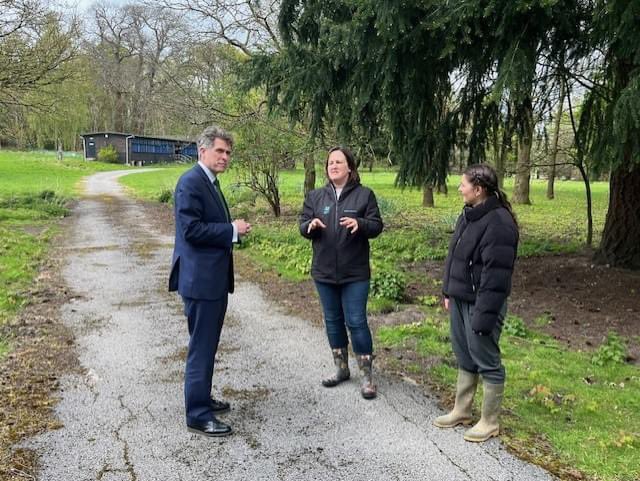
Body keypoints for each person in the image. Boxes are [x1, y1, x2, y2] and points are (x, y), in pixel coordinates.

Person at [169, 125, 251, 437]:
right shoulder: (190, 182)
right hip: (200, 282)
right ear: (202, 150)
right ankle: (198, 414)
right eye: (220, 151)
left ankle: (202, 398)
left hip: (211, 280)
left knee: (207, 344)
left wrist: (231, 230)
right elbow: (191, 230)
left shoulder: (209, 182)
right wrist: (231, 229)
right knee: (201, 348)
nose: (225, 157)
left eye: (228, 152)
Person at [435, 163, 519, 442]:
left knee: (486, 358)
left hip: (483, 302)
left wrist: (483, 316)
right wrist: (448, 291)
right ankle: (461, 410)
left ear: (479, 189)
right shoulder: (469, 215)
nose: (459, 188)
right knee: (464, 354)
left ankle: (490, 421)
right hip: (460, 299)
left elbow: (495, 278)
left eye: (463, 184)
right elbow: (454, 257)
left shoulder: (499, 223)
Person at [299, 146, 383, 399]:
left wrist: (361, 223)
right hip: (324, 272)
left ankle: (367, 376)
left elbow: (377, 225)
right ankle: (341, 368)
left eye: (339, 162)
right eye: (330, 163)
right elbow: (302, 225)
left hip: (355, 272)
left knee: (356, 321)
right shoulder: (316, 196)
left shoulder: (364, 195)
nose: (333, 166)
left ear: (350, 167)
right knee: (332, 321)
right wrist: (310, 226)